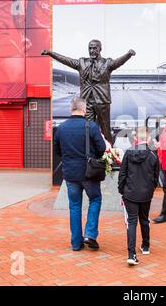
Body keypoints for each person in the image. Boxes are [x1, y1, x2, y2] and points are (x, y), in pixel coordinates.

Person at [42, 40, 136, 144]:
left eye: (94, 48)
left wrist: (128, 55)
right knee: (88, 129)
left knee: (105, 128)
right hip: (87, 102)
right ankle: (90, 151)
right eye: (90, 48)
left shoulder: (107, 63)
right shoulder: (82, 62)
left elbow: (118, 62)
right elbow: (66, 60)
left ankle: (109, 151)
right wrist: (51, 53)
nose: (92, 51)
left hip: (102, 101)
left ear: (100, 49)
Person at [53, 97, 106, 251]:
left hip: (70, 173)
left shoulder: (61, 128)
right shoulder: (91, 126)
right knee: (95, 199)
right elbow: (101, 148)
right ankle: (90, 234)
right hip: (89, 173)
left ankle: (76, 243)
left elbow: (57, 151)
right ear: (84, 110)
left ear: (71, 109)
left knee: (74, 206)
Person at [118, 127, 160, 266]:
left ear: (135, 139)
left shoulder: (128, 153)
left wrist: (122, 191)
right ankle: (145, 246)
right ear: (147, 139)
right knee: (144, 219)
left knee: (132, 222)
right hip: (145, 194)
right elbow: (156, 178)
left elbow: (122, 174)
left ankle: (131, 254)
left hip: (130, 193)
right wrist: (150, 190)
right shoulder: (153, 156)